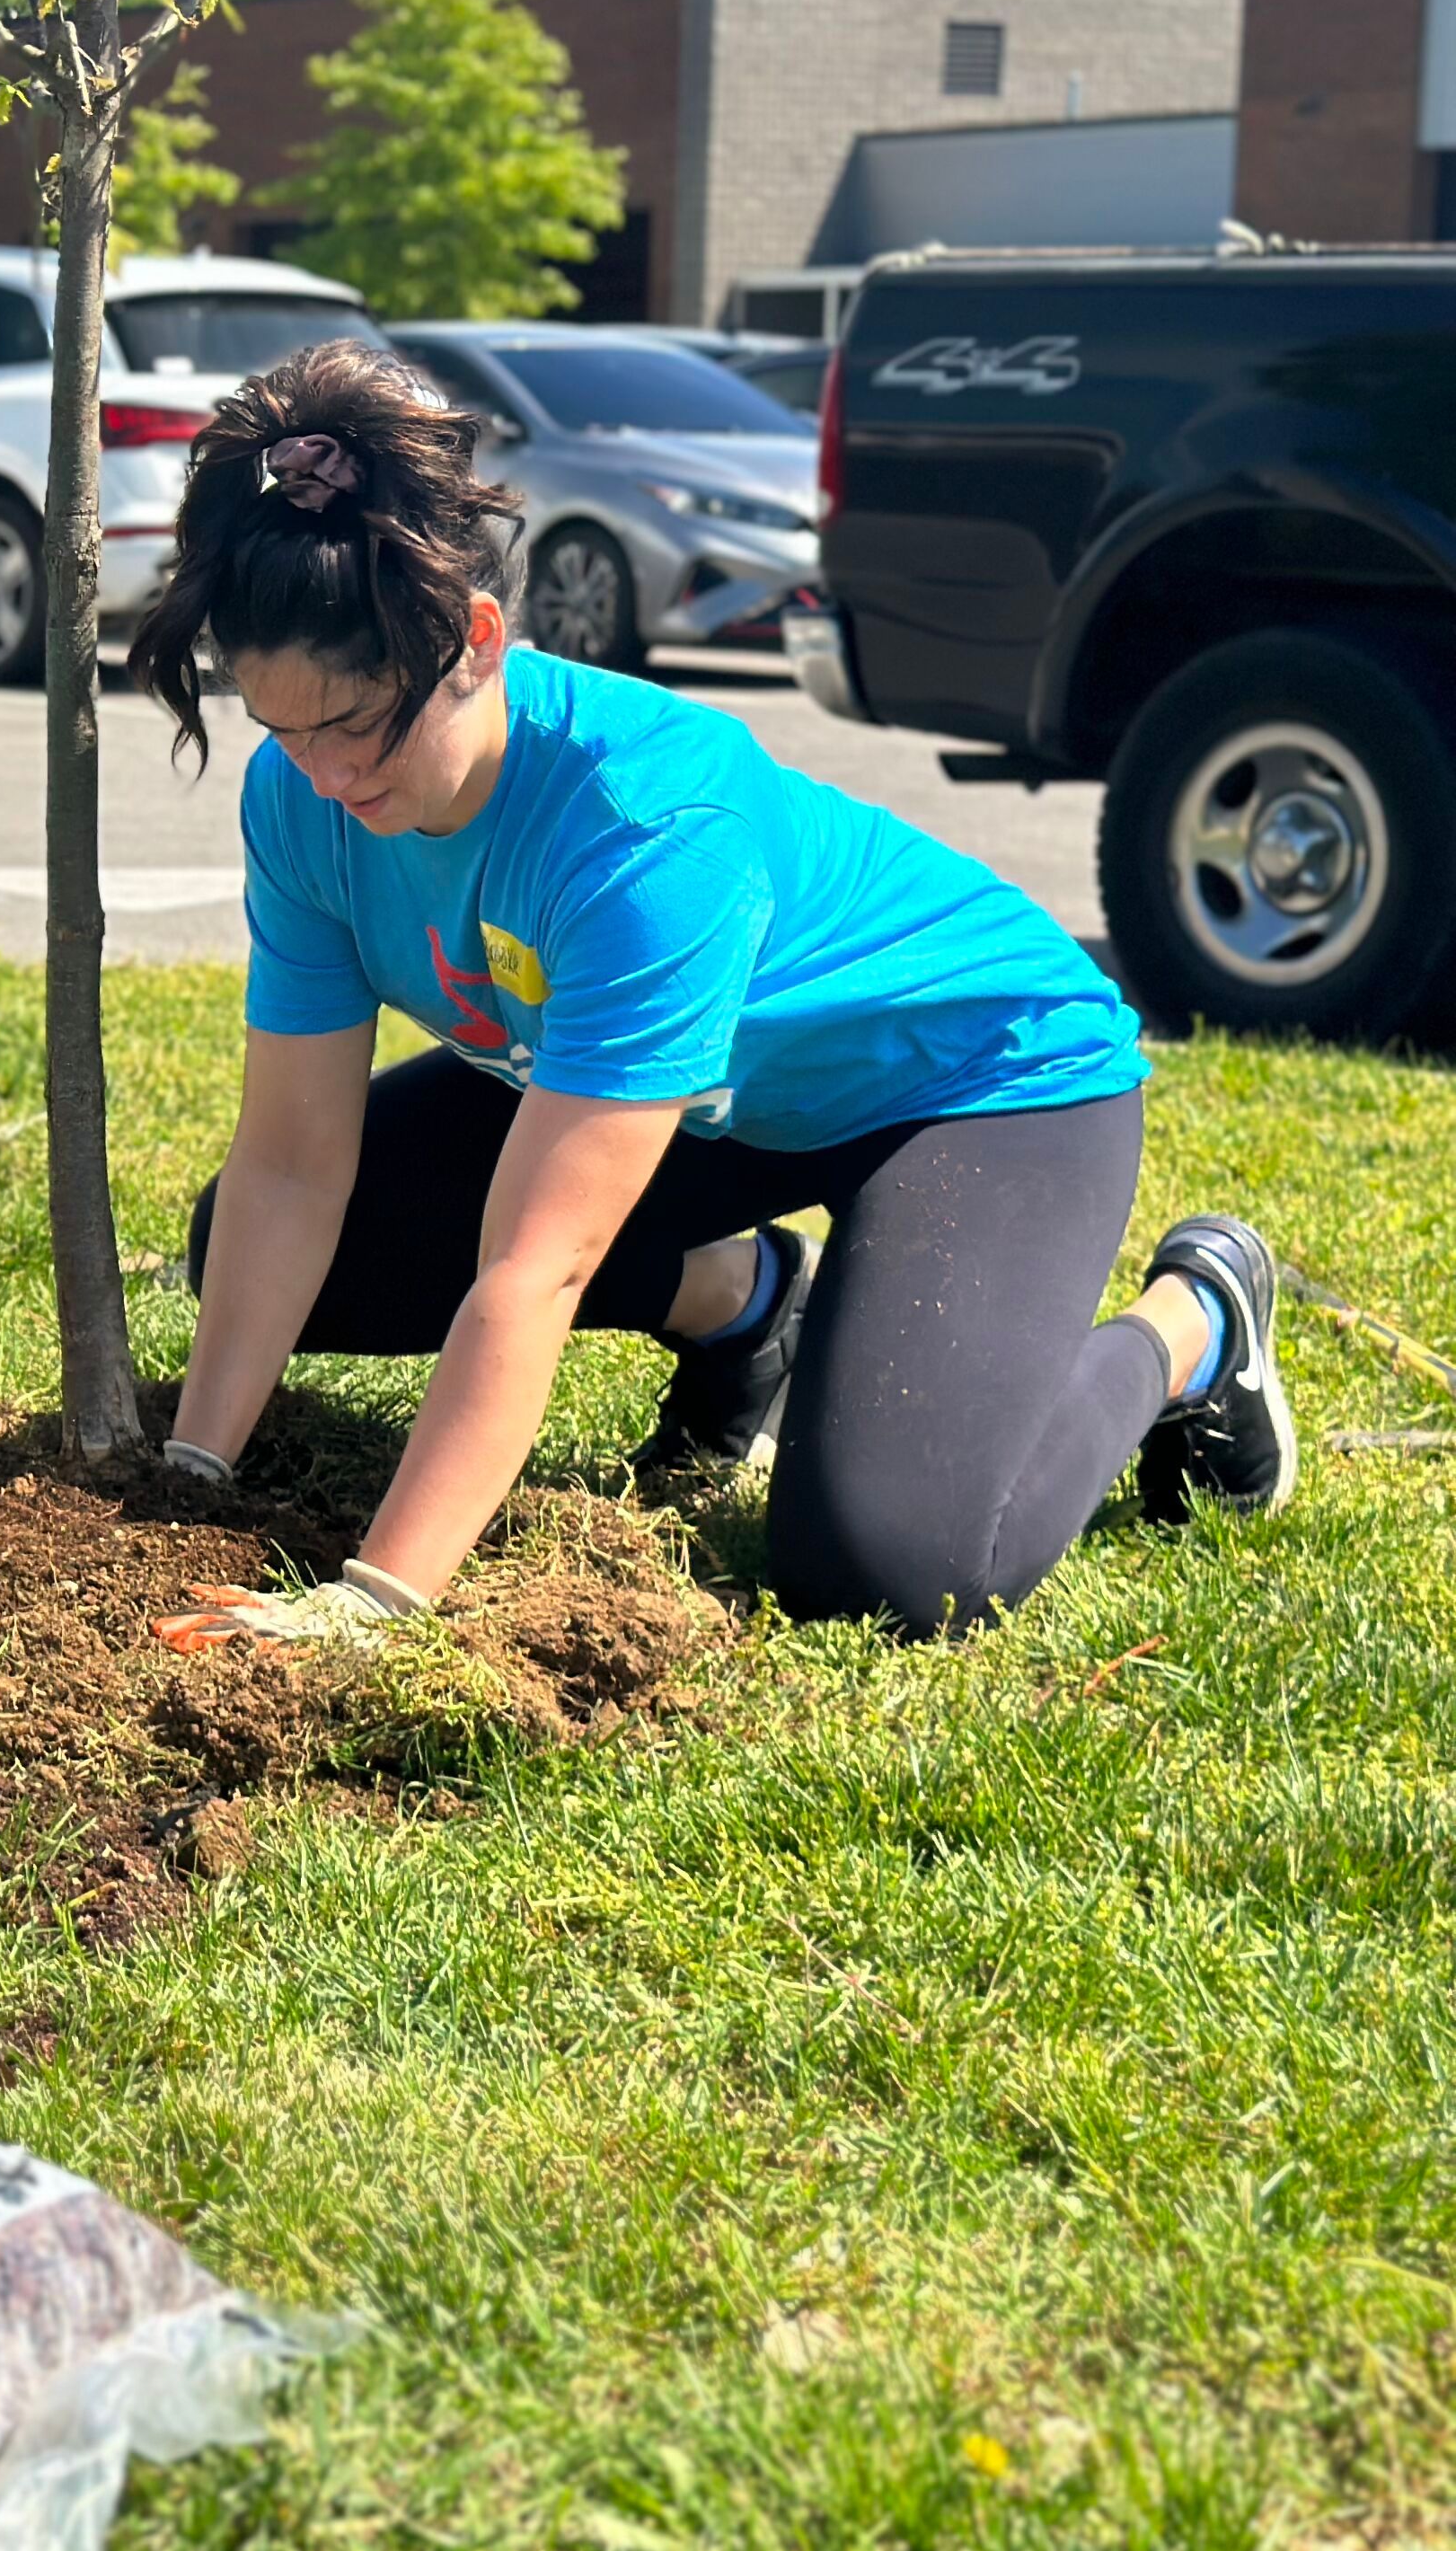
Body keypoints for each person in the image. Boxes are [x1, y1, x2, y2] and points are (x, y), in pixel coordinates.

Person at [125, 342, 1293, 1648]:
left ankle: (1196, 1318)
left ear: (476, 643)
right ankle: (743, 1306)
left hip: (978, 1086)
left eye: (360, 726)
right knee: (251, 1239)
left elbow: (536, 1264)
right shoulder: (300, 798)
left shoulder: (643, 826)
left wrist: (374, 1602)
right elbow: (292, 1170)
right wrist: (190, 1481)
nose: (329, 777)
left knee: (890, 1572)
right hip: (714, 1108)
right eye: (284, 727)